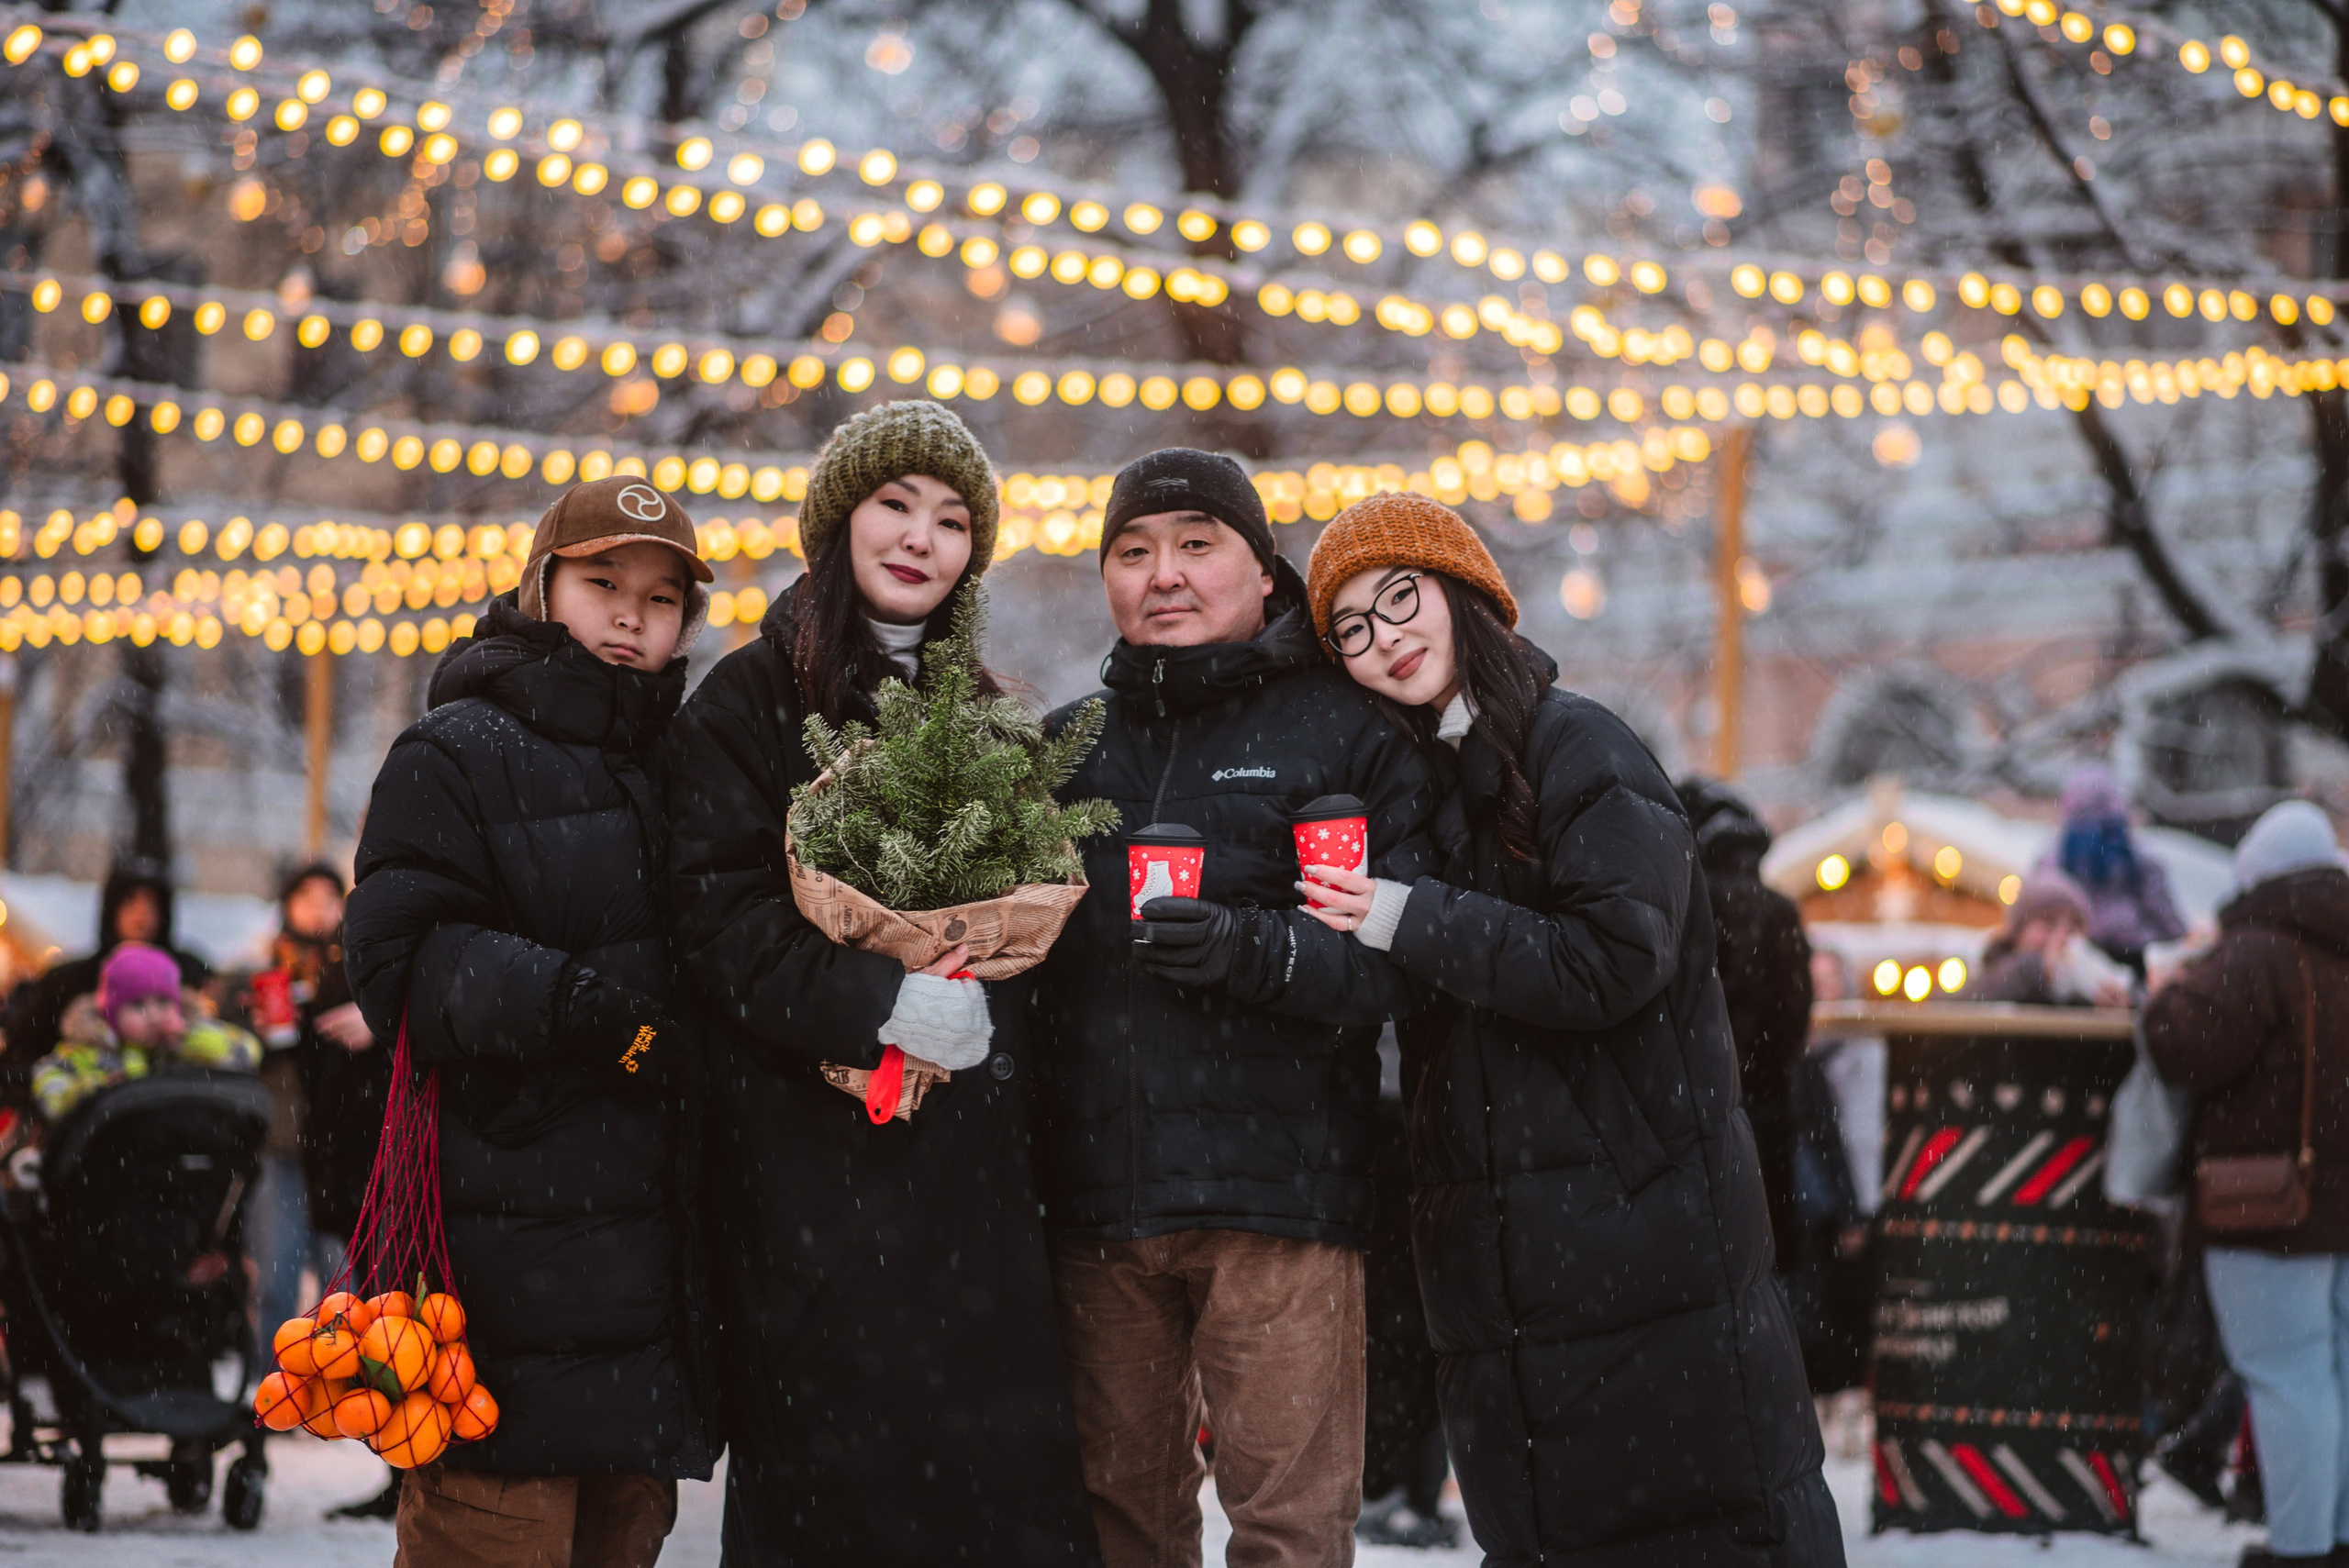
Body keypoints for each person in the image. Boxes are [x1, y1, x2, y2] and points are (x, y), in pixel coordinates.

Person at [1296, 493, 1842, 1565]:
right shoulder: (1424, 787)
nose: (1384, 636)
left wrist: (1404, 913)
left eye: (1398, 597)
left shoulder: (1575, 743)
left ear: (1465, 592)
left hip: (1640, 1264)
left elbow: (1613, 961)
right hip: (1518, 1295)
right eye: (1351, 627)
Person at [665, 401, 1102, 1568]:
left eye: (953, 520)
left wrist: (991, 986)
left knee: (991, 1499)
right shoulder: (748, 701)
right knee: (836, 1498)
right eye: (895, 505)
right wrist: (879, 999)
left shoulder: (998, 722)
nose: (920, 537)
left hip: (975, 1195)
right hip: (815, 1180)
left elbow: (1032, 913)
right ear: (839, 521)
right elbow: (716, 921)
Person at [1033, 449, 1439, 1568]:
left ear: (1264, 573)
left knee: (1292, 1529)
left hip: (1282, 1205)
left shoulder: (1346, 731)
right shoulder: (1065, 750)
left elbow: (1397, 968)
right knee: (1119, 1523)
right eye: (1132, 551)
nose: (1162, 573)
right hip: (1096, 1206)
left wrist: (1247, 950)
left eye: (1195, 544)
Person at [344, 476, 718, 1568]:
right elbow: (397, 958)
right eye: (602, 582)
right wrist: (575, 1008)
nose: (629, 614)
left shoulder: (685, 764)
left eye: (659, 598)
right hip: (505, 1262)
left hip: (649, 1269)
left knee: (619, 1537)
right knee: (491, 1535)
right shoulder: (456, 748)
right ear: (541, 584)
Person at [2143, 800, 2349, 1568]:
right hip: (2340, 1206)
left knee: (2288, 1372)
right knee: (2334, 1372)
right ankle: (2333, 1535)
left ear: (2259, 873)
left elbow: (2182, 1044)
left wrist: (2166, 989)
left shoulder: (2262, 951)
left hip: (2272, 1207)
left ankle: (2301, 1550)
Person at [1679, 777, 1814, 1264]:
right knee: (1765, 1245)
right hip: (1765, 1104)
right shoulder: (1779, 910)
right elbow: (1795, 1013)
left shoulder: (1687, 904)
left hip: (1691, 1101)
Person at [4, 857, 211, 1073]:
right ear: (112, 909)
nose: (142, 915)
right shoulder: (68, 982)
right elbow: (25, 1058)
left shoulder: (189, 974)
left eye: (152, 904)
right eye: (130, 901)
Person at [31, 941, 259, 1120]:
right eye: (137, 1005)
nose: (153, 1015)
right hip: (110, 1160)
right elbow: (50, 1087)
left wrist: (189, 1039)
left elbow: (246, 1052)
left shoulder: (185, 1045)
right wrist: (92, 1091)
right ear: (110, 1013)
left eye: (163, 1002)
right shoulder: (86, 1050)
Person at [2036, 764, 2186, 969]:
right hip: (2133, 949)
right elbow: (2160, 907)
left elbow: (2037, 906)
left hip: (2078, 952)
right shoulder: (2132, 853)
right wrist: (2181, 939)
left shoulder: (2055, 857)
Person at [1963, 870, 2133, 1006]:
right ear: (2018, 934)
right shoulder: (1993, 969)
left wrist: (2120, 1000)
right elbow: (1961, 1003)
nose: (2061, 939)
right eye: (2048, 925)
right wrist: (2038, 971)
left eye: (2072, 929)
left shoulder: (2093, 973)